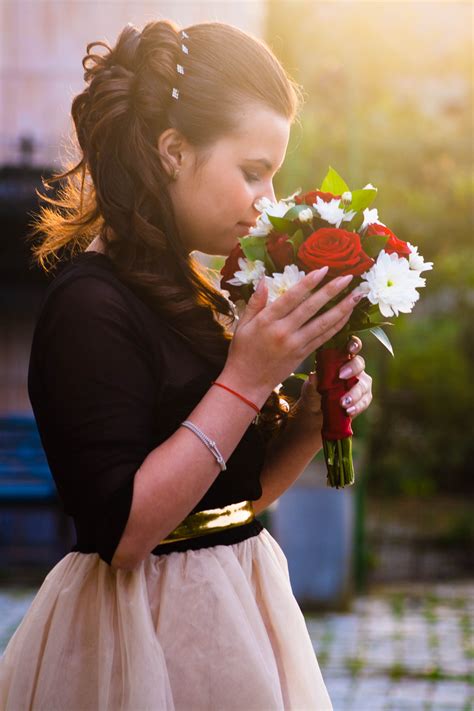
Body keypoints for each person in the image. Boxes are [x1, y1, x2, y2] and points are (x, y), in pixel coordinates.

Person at [0, 19, 373, 710]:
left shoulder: (197, 295)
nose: (268, 199)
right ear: (173, 150)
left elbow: (235, 500)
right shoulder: (90, 306)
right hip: (137, 641)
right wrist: (249, 376)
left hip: (239, 618)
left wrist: (315, 415)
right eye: (252, 171)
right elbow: (127, 533)